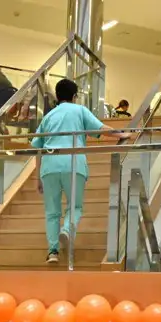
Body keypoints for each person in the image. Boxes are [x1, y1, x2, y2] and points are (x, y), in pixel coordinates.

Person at [31, 78, 128, 264]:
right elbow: (101, 128)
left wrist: (38, 178)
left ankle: (53, 252)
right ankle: (67, 230)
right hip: (74, 163)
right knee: (74, 207)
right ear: (75, 96)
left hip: (49, 165)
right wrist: (122, 134)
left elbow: (38, 147)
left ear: (57, 96)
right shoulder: (79, 110)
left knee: (52, 212)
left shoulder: (48, 116)